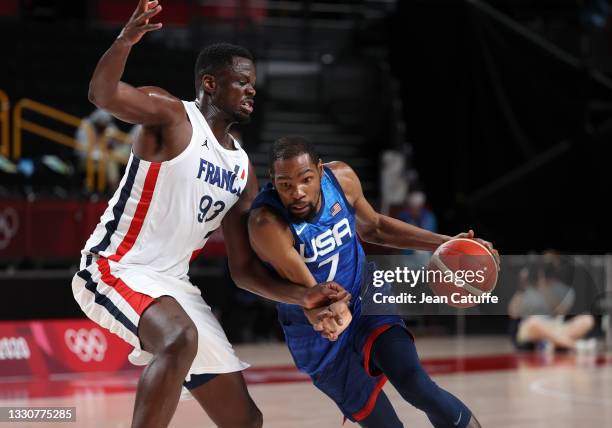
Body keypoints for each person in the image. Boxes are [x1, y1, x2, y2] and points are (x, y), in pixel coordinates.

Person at [71, 2, 348, 427]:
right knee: (180, 338)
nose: (252, 90)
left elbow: (243, 270)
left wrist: (302, 296)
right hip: (115, 267)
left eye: (253, 84)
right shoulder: (171, 114)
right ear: (210, 84)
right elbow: (103, 95)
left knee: (245, 420)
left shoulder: (242, 170)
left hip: (173, 285)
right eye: (241, 83)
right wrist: (125, 41)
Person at [248, 136, 500, 428]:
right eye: (286, 185)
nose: (298, 193)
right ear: (273, 180)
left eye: (305, 179)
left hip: (366, 294)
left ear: (319, 170)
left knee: (415, 384)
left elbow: (375, 227)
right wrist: (333, 311)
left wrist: (445, 243)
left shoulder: (341, 178)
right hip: (314, 328)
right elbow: (312, 293)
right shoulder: (266, 224)